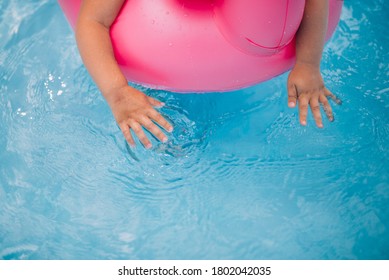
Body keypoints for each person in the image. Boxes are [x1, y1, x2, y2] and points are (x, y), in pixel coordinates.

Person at [76, 0, 339, 149]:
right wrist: (117, 92)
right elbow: (92, 22)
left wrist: (308, 62)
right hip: (163, 51)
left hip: (236, 34)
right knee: (169, 140)